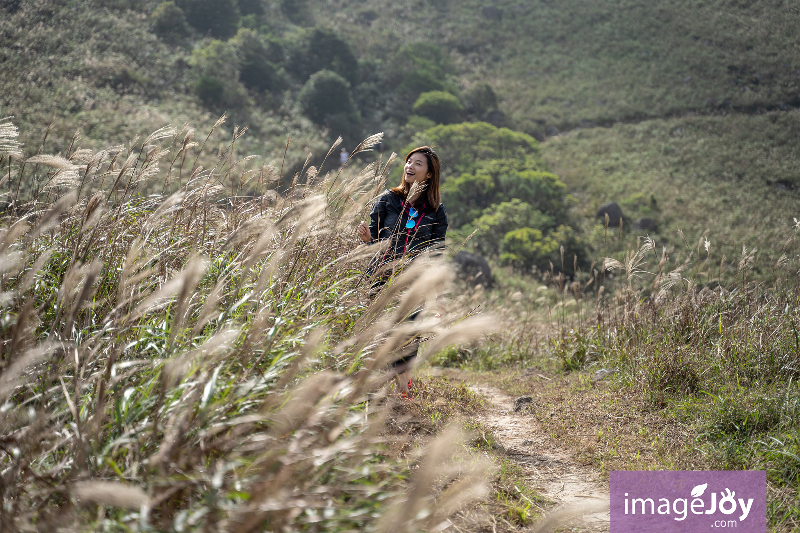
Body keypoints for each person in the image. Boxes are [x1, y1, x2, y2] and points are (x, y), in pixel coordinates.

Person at [357, 146, 448, 399]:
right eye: (409, 161)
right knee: (386, 333)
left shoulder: (436, 211)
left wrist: (440, 295)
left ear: (429, 174)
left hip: (414, 281)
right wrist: (367, 239)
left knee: (409, 334)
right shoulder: (388, 199)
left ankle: (402, 389)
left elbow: (437, 256)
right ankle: (401, 388)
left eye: (418, 164)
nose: (410, 166)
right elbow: (374, 242)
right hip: (380, 276)